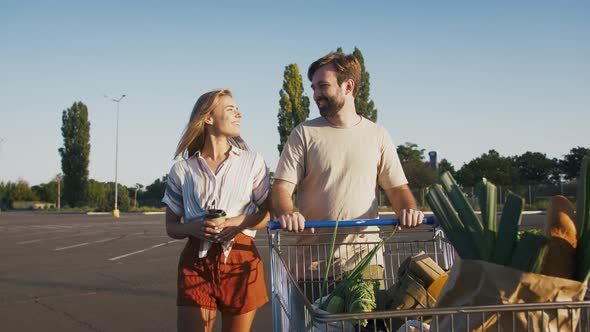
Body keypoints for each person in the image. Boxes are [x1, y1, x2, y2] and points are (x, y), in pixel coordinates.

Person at [272, 51, 424, 290]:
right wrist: (287, 212)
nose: (316, 95)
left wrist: (409, 209)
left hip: (367, 264)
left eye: (323, 86)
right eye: (313, 88)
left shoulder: (377, 135)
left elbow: (397, 189)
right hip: (314, 267)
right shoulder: (304, 134)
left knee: (366, 327)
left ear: (348, 86)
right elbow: (281, 188)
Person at [162, 89, 270, 332]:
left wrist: (239, 221)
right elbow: (171, 227)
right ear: (208, 118)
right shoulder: (182, 170)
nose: (239, 113)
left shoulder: (252, 161)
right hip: (196, 265)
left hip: (241, 262)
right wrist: (194, 227)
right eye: (230, 109)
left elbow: (268, 214)